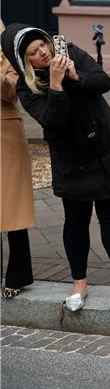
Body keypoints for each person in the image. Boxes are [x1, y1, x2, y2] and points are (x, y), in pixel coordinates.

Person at [1, 24, 110, 314]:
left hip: (102, 149)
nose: (43, 52)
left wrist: (75, 75)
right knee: (75, 223)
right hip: (71, 159)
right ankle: (79, 285)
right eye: (34, 53)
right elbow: (53, 121)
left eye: (43, 45)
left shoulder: (72, 51)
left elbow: (103, 81)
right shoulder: (28, 86)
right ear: (23, 60)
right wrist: (55, 85)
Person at [1, 20, 35, 299]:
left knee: (12, 206)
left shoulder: (3, 38)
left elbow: (13, 85)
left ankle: (19, 273)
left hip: (4, 131)